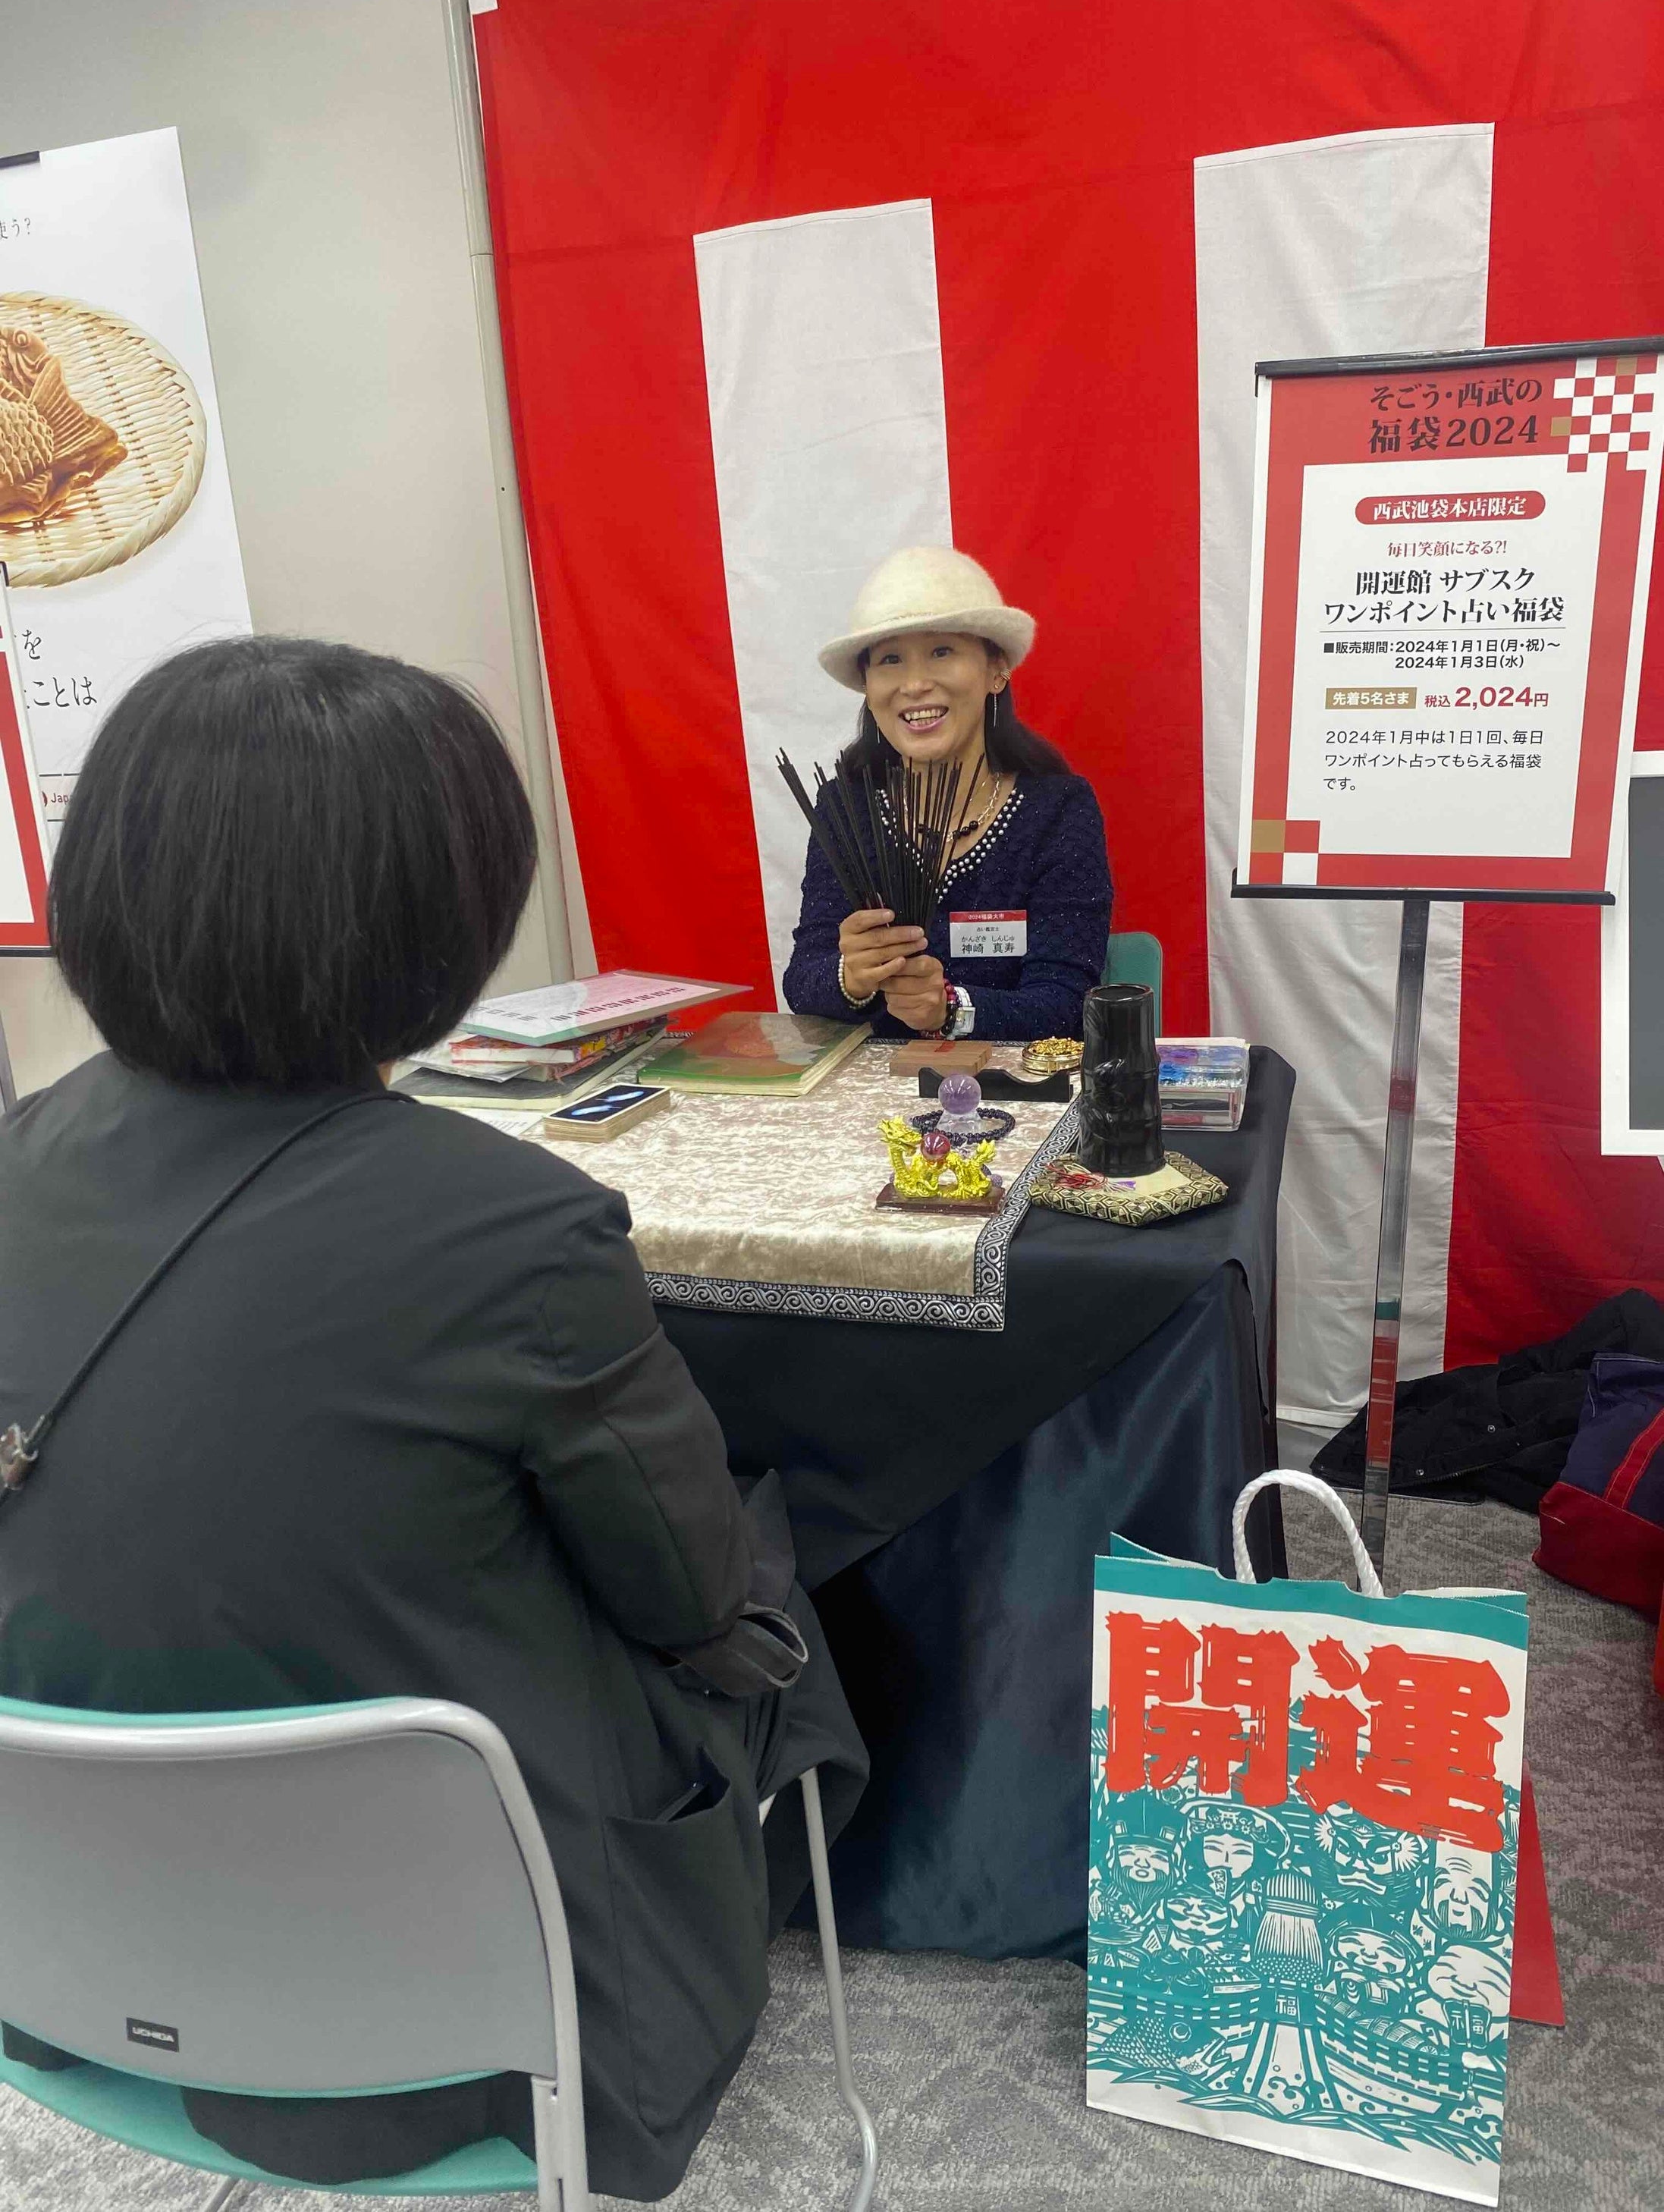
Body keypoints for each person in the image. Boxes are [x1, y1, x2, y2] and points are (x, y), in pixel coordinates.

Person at [0, 636, 865, 2201]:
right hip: (447, 2015)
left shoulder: (19, 1148)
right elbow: (686, 1600)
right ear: (437, 919)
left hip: (60, 1956)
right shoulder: (514, 1229)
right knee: (769, 1583)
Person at [783, 545, 1112, 1041]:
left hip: (1011, 1082)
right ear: (868, 686)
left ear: (996, 669)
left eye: (941, 651)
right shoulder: (846, 807)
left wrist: (950, 1008)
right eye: (890, 659)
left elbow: (1067, 1003)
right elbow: (803, 981)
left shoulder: (1057, 810)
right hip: (875, 1083)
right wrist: (850, 976)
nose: (915, 684)